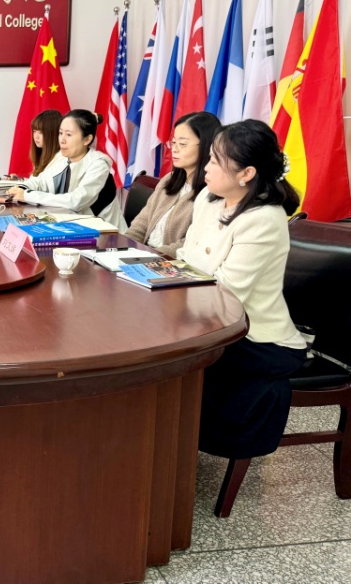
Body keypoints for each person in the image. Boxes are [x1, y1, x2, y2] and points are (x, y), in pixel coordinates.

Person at [177, 119, 306, 460]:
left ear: (247, 173)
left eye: (216, 161)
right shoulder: (208, 200)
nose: (206, 167)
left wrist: (174, 286)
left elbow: (226, 296)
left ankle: (171, 441)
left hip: (253, 335)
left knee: (171, 352)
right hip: (205, 315)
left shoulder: (264, 219)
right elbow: (186, 257)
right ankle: (160, 436)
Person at [5, 109, 128, 231]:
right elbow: (41, 181)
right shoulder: (62, 157)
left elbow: (76, 201)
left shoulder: (98, 164)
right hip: (71, 226)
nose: (62, 140)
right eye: (60, 133)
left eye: (68, 135)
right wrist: (21, 188)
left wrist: (28, 196)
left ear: (87, 139)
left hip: (105, 235)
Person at [124, 111, 221, 257]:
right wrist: (125, 246)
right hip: (144, 255)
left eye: (182, 144)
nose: (174, 149)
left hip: (170, 261)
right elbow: (142, 222)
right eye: (173, 142)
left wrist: (150, 257)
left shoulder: (212, 191)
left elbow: (190, 244)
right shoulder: (169, 179)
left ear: (207, 146)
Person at [7, 110, 62, 179]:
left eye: (41, 132)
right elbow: (38, 182)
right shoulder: (42, 155)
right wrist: (19, 180)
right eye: (34, 131)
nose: (36, 136)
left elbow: (46, 184)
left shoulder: (61, 160)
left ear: (54, 133)